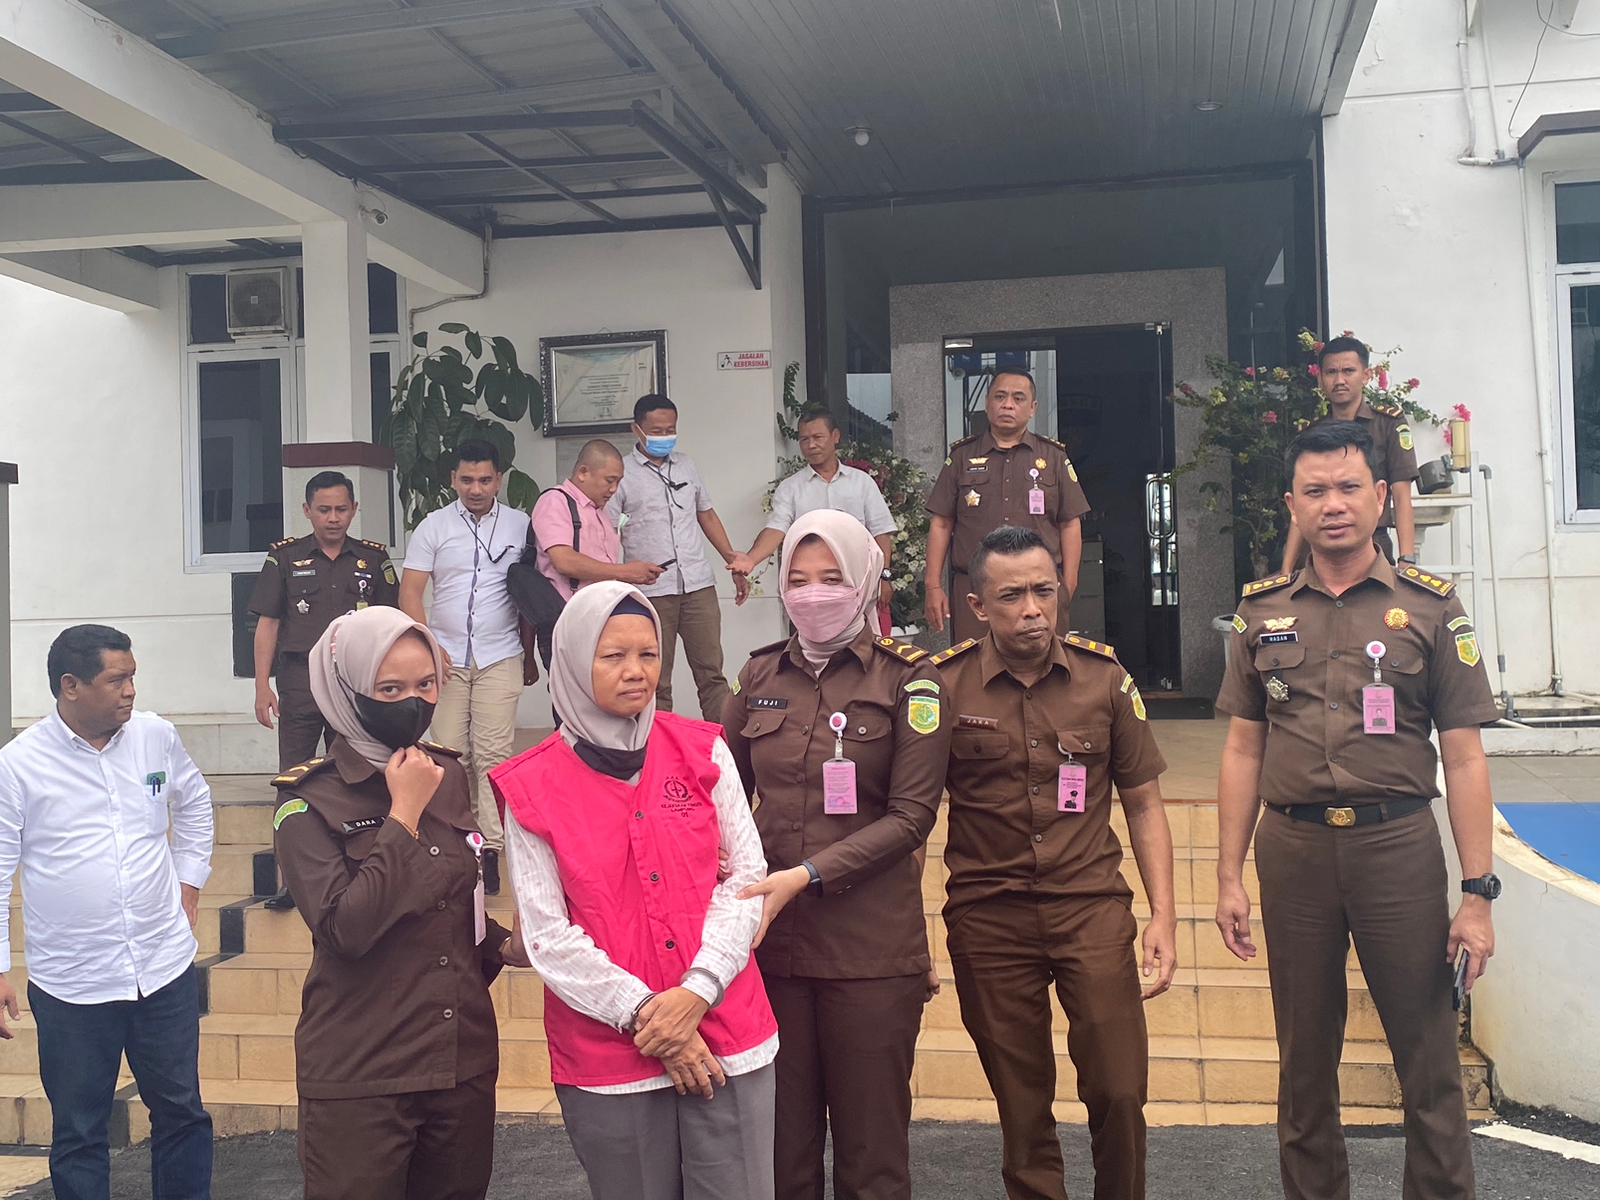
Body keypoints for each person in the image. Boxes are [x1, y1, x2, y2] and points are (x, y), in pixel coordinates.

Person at [1215, 421, 1499, 1200]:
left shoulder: (1430, 608)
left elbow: (1465, 757)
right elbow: (1242, 749)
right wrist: (1229, 875)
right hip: (1295, 851)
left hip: (1397, 849)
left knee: (1428, 1062)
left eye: (1347, 488)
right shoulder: (1260, 612)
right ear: (1292, 506)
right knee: (1304, 1063)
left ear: (1379, 497)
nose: (1332, 504)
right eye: (1315, 491)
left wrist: (1478, 895)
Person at [490, 582, 778, 1200]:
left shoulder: (702, 748)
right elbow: (546, 935)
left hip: (726, 1028)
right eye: (613, 656)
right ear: (573, 660)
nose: (635, 671)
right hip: (610, 1052)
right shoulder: (532, 784)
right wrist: (651, 1014)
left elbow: (746, 881)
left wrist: (696, 993)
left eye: (648, 654)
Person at [930, 526, 1176, 1200]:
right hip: (988, 916)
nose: (1033, 609)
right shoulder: (943, 686)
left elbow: (1144, 804)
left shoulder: (1105, 679)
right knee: (1022, 1103)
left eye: (1044, 590)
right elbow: (912, 815)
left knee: (1120, 1088)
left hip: (1089, 907)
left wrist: (1164, 915)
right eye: (1012, 596)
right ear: (978, 605)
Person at [723, 510, 952, 1200]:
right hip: (771, 950)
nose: (813, 594)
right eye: (797, 579)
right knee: (779, 1158)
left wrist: (806, 876)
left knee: (871, 1160)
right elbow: (719, 797)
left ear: (867, 581)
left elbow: (912, 817)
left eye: (832, 578)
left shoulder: (911, 681)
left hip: (869, 955)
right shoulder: (758, 674)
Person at [271, 606, 526, 1200]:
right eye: (390, 689)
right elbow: (346, 929)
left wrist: (504, 944)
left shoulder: (447, 773)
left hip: (458, 1061)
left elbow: (452, 897)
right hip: (364, 1070)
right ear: (347, 689)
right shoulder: (307, 801)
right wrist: (403, 814)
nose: (413, 703)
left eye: (425, 684)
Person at [0, 625, 214, 1200]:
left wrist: (189, 881)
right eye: (117, 679)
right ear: (70, 686)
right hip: (73, 984)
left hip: (162, 969)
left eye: (133, 677)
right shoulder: (18, 765)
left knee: (182, 1113)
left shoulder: (155, 737)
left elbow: (195, 804)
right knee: (78, 1132)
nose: (131, 691)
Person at [251, 469, 397, 909]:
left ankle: (356, 869)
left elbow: (391, 625)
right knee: (294, 778)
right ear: (307, 511)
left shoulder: (373, 559)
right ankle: (292, 879)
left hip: (354, 683)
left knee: (355, 773)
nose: (333, 518)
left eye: (341, 509)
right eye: (324, 509)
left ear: (354, 509)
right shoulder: (284, 558)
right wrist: (262, 686)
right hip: (299, 682)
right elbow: (268, 624)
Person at [399, 439, 527, 894]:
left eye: (485, 480)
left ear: (499, 480)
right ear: (453, 480)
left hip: (500, 653)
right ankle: (459, 841)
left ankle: (490, 849)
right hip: (445, 658)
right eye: (467, 480)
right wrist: (428, 644)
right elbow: (410, 592)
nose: (476, 489)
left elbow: (532, 592)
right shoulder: (433, 527)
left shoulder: (520, 526)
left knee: (493, 756)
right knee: (451, 754)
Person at [925, 369, 1091, 643]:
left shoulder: (1053, 457)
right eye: (1000, 396)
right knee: (975, 663)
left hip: (1039, 587)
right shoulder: (961, 457)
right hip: (976, 589)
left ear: (1033, 408)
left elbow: (1070, 523)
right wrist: (932, 585)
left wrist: (1068, 583)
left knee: (1042, 662)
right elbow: (941, 523)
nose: (1008, 405)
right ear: (987, 402)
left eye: (1018, 398)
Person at [609, 394, 746, 720]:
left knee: (712, 674)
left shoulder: (686, 465)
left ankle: (721, 742)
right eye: (656, 431)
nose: (665, 437)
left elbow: (706, 514)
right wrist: (616, 577)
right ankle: (659, 744)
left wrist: (732, 560)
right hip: (652, 591)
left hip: (698, 585)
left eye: (670, 430)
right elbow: (608, 530)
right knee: (655, 678)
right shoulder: (621, 473)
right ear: (636, 429)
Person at [728, 407, 897, 629]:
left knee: (867, 643)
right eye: (804, 439)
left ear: (835, 436)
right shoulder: (790, 488)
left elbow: (880, 533)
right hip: (812, 590)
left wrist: (884, 577)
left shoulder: (862, 483)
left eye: (818, 437)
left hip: (859, 583)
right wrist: (750, 560)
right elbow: (776, 529)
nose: (811, 445)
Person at [1280, 335, 1419, 573]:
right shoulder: (1312, 432)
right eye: (1331, 372)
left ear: (1366, 375)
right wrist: (1286, 570)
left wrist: (1407, 559)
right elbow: (1300, 503)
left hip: (1372, 542)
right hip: (1319, 548)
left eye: (1348, 371)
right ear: (1320, 379)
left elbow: (1401, 495)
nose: (1339, 380)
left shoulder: (1387, 424)